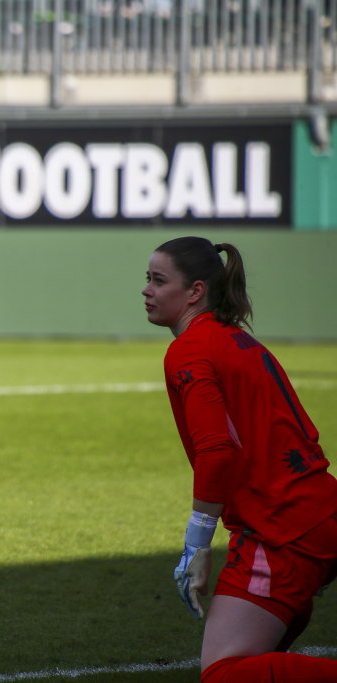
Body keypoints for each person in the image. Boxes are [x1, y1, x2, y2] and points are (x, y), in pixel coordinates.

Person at [143, 236, 337, 683]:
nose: (146, 290)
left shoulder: (190, 349)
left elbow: (216, 453)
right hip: (316, 511)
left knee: (223, 675)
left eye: (158, 280)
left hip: (282, 530)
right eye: (147, 279)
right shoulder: (242, 341)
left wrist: (196, 546)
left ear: (195, 291)